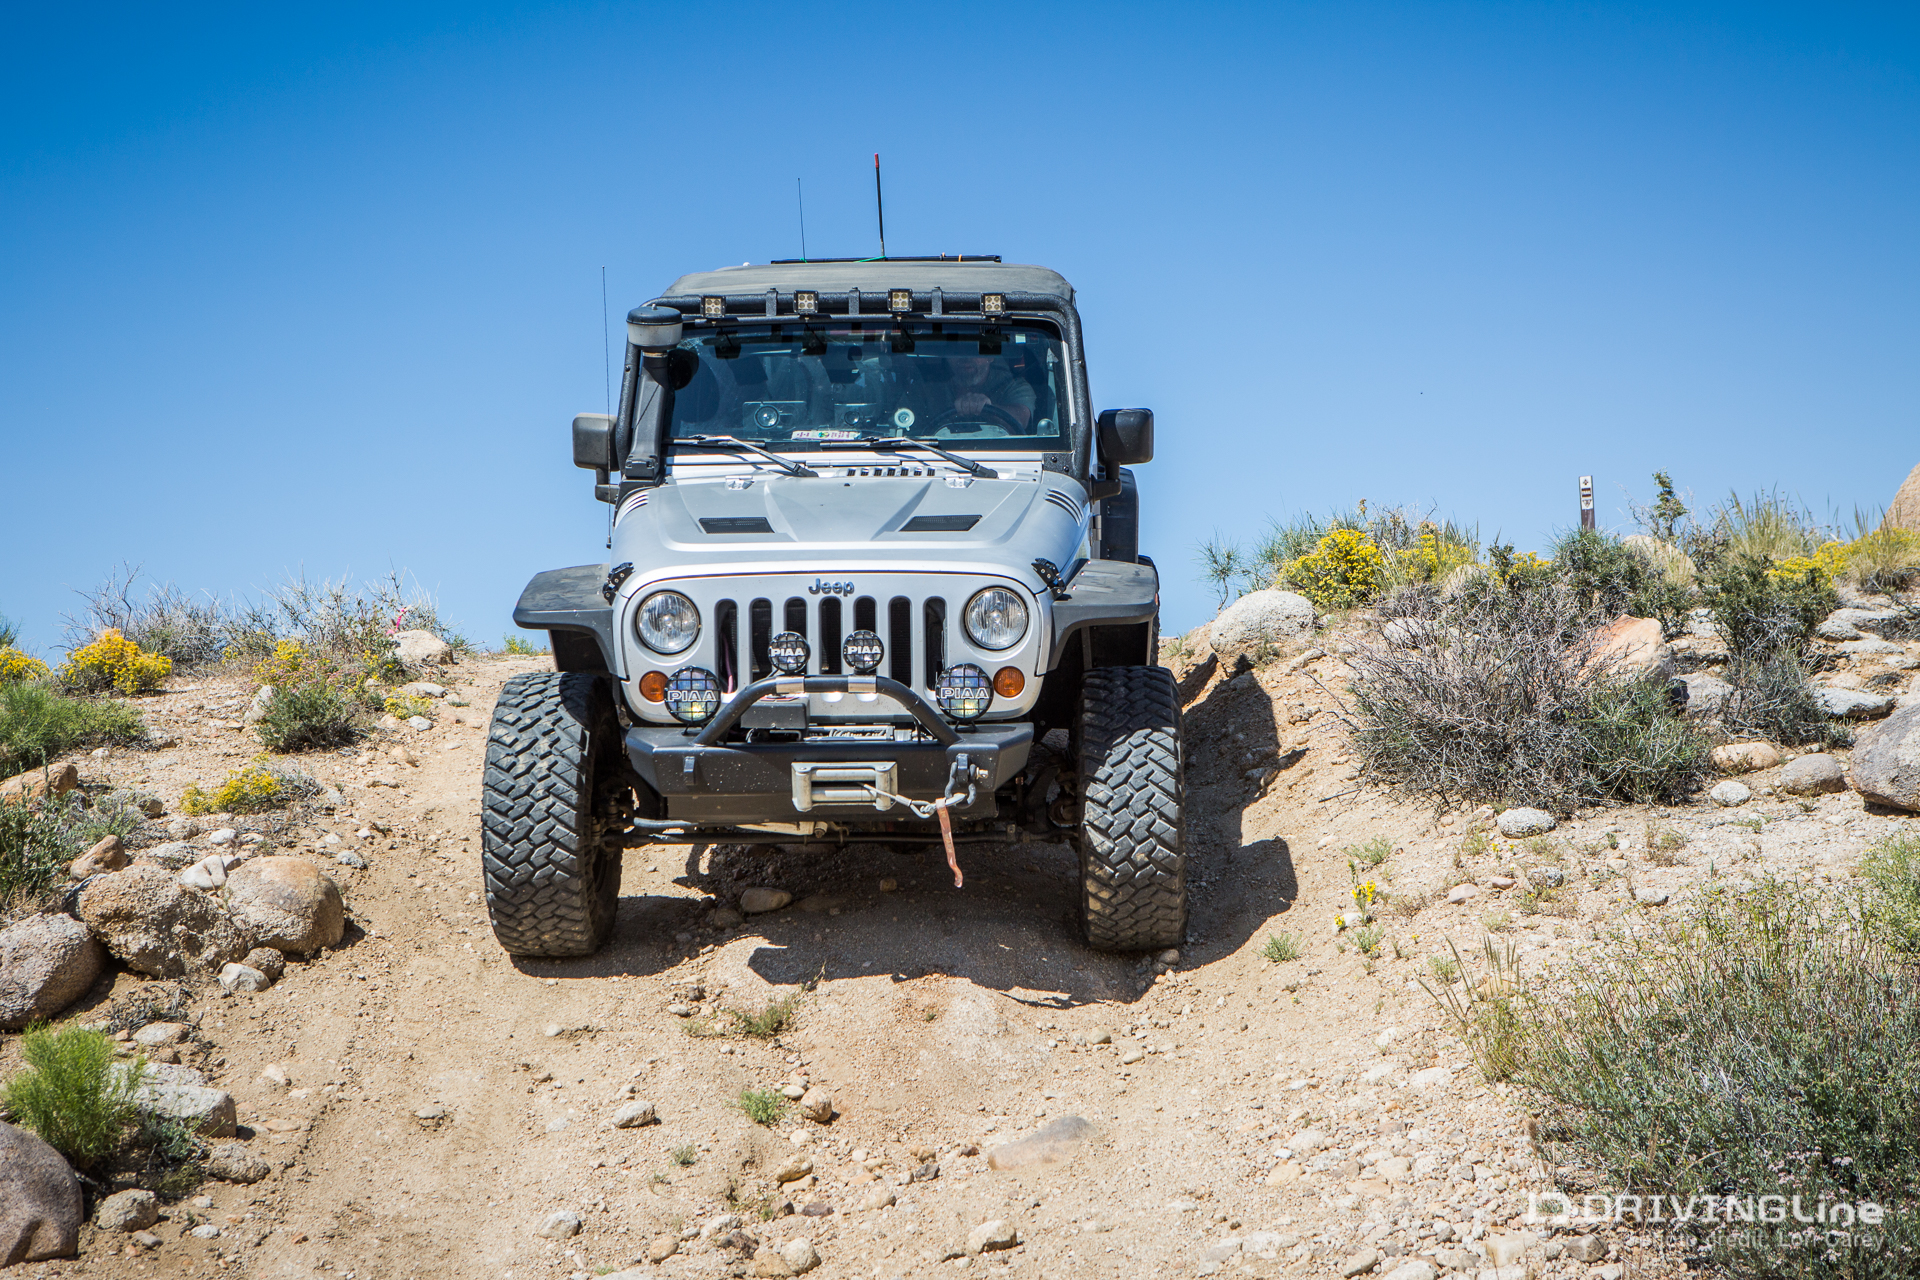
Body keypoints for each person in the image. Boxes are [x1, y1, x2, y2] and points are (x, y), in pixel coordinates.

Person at [933, 353, 1035, 431]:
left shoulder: (1013, 385)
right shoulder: (934, 391)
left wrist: (988, 409)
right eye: (957, 351)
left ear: (990, 356)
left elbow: (1021, 418)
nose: (965, 358)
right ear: (947, 357)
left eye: (974, 350)